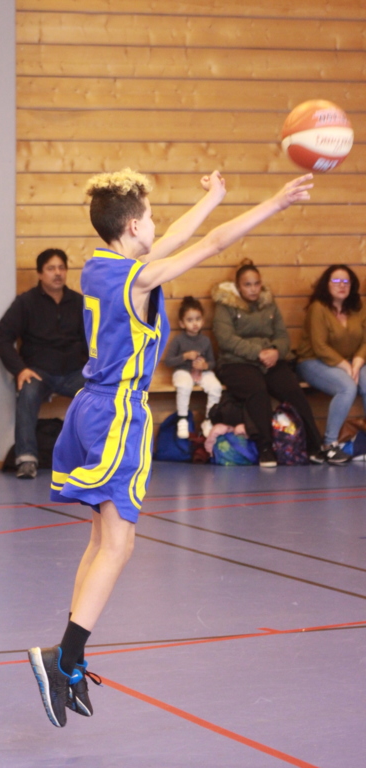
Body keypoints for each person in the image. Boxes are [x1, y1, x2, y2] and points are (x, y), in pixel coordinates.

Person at [27, 167, 314, 729]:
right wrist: (275, 203)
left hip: (89, 406)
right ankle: (63, 658)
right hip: (118, 412)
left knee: (103, 540)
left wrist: (212, 198)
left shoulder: (100, 265)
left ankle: (71, 658)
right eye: (152, 217)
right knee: (119, 547)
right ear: (135, 226)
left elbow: (181, 237)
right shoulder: (139, 280)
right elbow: (211, 244)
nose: (159, 224)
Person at [211, 259, 335, 467]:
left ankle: (315, 445)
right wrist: (258, 353)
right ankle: (265, 448)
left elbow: (282, 336)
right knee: (257, 390)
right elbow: (226, 339)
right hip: (236, 362)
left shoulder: (269, 303)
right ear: (238, 286)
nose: (253, 289)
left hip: (270, 360)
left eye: (256, 284)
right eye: (247, 284)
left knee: (292, 389)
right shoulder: (225, 305)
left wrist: (276, 351)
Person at [0, 248, 87, 479]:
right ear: (39, 273)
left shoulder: (79, 302)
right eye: (51, 268)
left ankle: (98, 456)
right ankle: (26, 459)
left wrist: (94, 368)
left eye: (61, 268)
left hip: (75, 372)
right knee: (27, 392)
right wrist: (20, 369)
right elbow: (3, 338)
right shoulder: (25, 302)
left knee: (101, 393)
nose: (57, 273)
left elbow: (95, 339)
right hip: (39, 372)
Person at [296, 264, 366, 459]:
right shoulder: (318, 308)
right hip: (313, 361)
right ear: (326, 284)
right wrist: (346, 366)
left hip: (352, 360)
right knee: (347, 387)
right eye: (336, 280)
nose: (341, 285)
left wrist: (357, 362)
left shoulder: (359, 308)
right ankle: (329, 444)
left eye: (346, 281)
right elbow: (320, 346)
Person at [163, 296, 222, 438]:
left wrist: (205, 365)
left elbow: (212, 362)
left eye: (198, 319)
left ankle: (209, 420)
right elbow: (168, 361)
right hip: (183, 371)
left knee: (216, 387)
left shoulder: (205, 340)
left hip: (202, 373)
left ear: (202, 320)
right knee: (184, 385)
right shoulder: (178, 340)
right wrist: (184, 356)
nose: (195, 323)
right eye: (190, 320)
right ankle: (182, 419)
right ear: (182, 323)